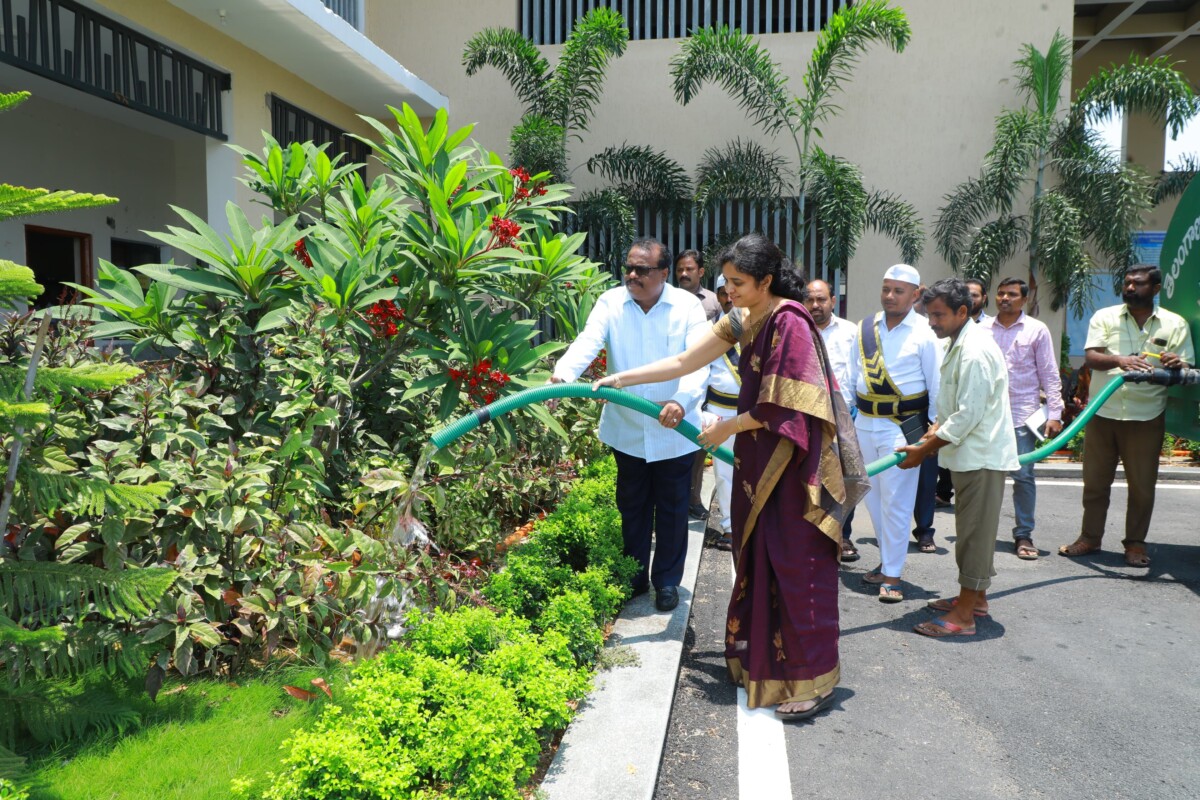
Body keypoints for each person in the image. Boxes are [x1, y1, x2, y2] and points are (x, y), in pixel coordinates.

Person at [594, 233, 867, 722]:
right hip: (756, 460)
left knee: (797, 568)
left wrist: (725, 426)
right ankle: (763, 663)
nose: (729, 292)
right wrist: (620, 379)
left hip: (792, 465)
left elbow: (786, 407)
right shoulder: (742, 316)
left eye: (739, 283)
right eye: (726, 283)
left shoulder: (790, 322)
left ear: (766, 281)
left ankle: (813, 679)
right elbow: (684, 360)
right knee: (758, 560)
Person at [551, 237, 709, 612]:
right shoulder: (611, 302)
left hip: (674, 429)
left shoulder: (687, 307)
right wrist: (561, 377)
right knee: (632, 506)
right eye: (629, 268)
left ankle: (667, 582)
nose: (632, 275)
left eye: (642, 270)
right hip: (626, 429)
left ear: (664, 273)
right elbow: (588, 341)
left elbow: (698, 361)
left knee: (672, 511)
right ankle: (634, 577)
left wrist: (681, 401)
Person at [897, 279, 1019, 637]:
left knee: (975, 536)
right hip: (968, 454)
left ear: (962, 312)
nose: (931, 321)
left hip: (981, 456)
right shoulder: (959, 341)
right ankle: (975, 598)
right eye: (929, 314)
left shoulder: (975, 349)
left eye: (938, 315)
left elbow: (968, 414)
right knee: (969, 532)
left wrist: (925, 449)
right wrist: (934, 430)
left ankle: (964, 615)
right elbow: (956, 407)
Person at [1059, 265, 1194, 568]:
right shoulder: (1105, 317)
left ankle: (1135, 544)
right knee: (1094, 482)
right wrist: (1120, 360)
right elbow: (1092, 357)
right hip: (1102, 412)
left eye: (1139, 283)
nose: (1131, 288)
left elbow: (1185, 368)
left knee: (1142, 487)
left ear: (1155, 289)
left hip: (1146, 416)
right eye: (1128, 282)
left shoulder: (1174, 324)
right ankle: (1090, 538)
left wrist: (1176, 363)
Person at [852, 265, 942, 602]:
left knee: (897, 502)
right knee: (873, 499)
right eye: (886, 289)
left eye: (899, 291)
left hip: (902, 428)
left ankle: (893, 575)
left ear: (915, 295)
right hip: (864, 422)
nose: (890, 296)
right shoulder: (866, 329)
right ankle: (887, 562)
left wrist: (932, 432)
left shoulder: (926, 333)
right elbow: (852, 376)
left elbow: (936, 385)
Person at [981, 277, 1063, 560]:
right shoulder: (981, 329)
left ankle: (1023, 534)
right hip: (986, 417)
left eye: (1012, 294)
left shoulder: (1036, 330)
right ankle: (982, 532)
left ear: (1024, 299)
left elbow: (1049, 373)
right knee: (984, 475)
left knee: (1023, 476)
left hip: (1021, 415)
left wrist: (1055, 413)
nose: (1004, 298)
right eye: (1001, 293)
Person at [805, 278, 861, 562]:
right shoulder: (798, 330)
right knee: (810, 478)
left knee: (842, 478)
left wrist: (852, 409)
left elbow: (856, 372)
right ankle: (811, 536)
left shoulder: (850, 332)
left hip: (842, 418)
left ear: (832, 301)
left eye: (821, 299)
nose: (815, 305)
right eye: (810, 299)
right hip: (807, 418)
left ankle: (843, 535)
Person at [676, 249, 723, 519]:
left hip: (703, 383)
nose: (684, 274)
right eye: (680, 269)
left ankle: (694, 498)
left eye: (689, 269)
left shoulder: (714, 303)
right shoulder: (667, 300)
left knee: (697, 442)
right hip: (675, 380)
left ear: (701, 272)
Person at [701, 282, 740, 552]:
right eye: (723, 293)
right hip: (720, 413)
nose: (729, 298)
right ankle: (730, 527)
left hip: (753, 414)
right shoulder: (711, 333)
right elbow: (698, 375)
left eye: (733, 292)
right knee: (725, 474)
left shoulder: (762, 327)